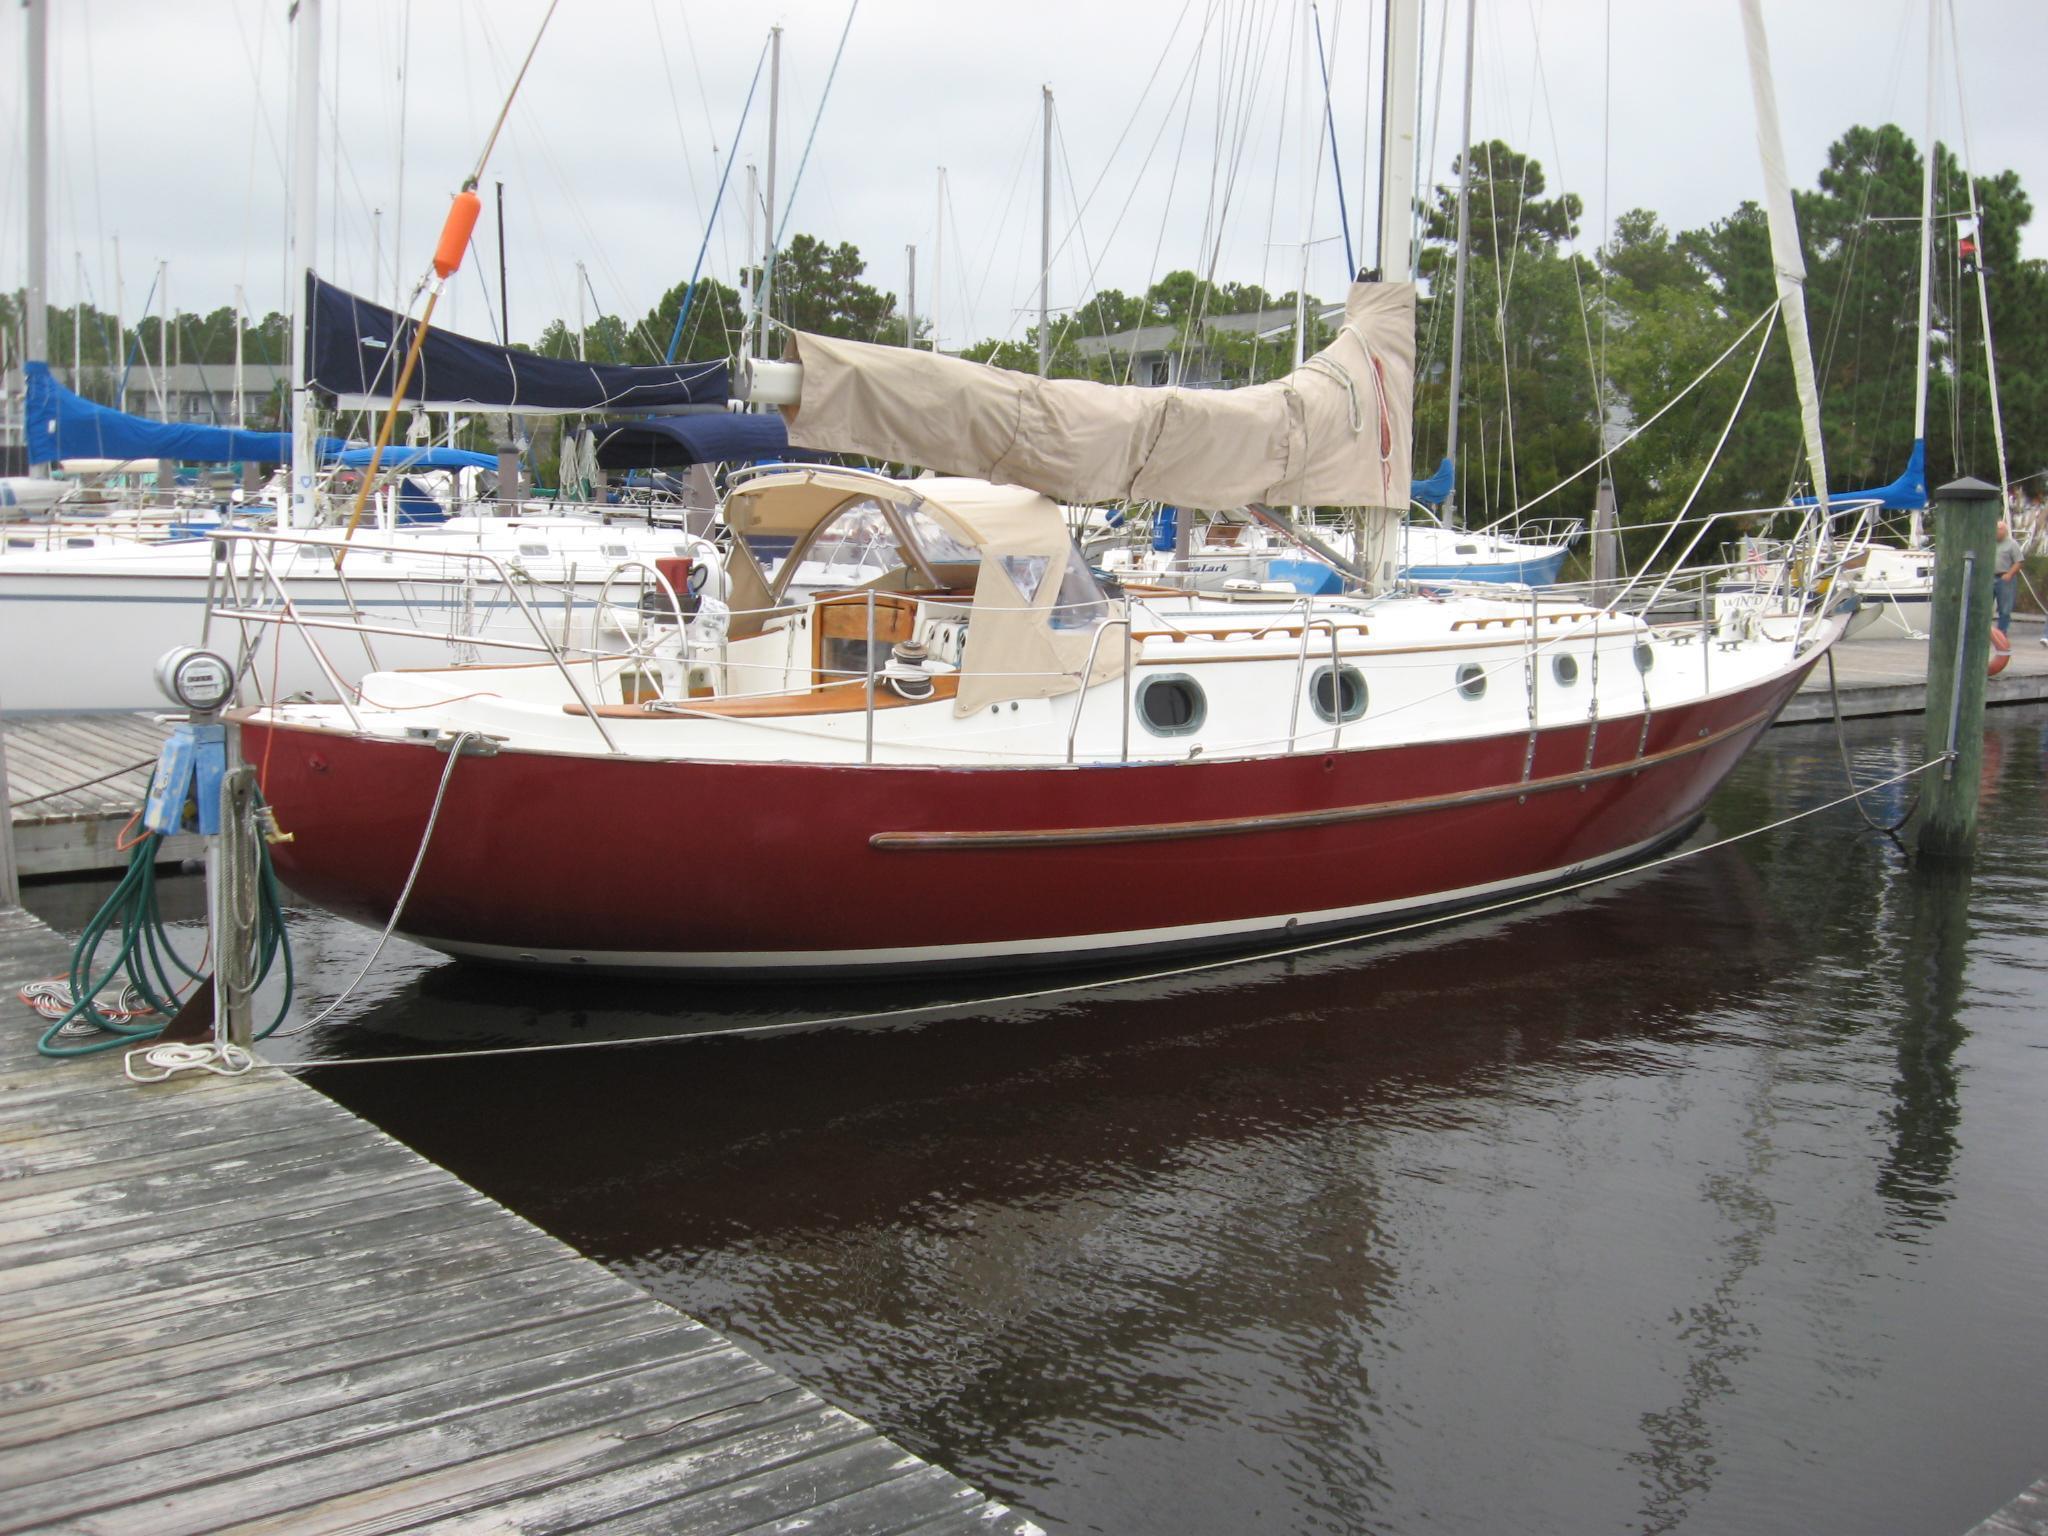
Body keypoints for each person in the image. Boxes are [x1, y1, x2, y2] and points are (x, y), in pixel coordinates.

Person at [1992, 517, 2021, 636]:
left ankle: (2001, 632)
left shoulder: (2012, 544)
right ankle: (1983, 631)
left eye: (1998, 529)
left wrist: (2009, 574)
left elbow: (2019, 562)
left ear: (2004, 530)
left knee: (2005, 608)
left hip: (2004, 578)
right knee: (1984, 606)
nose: (1995, 531)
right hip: (1989, 578)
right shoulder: (1990, 542)